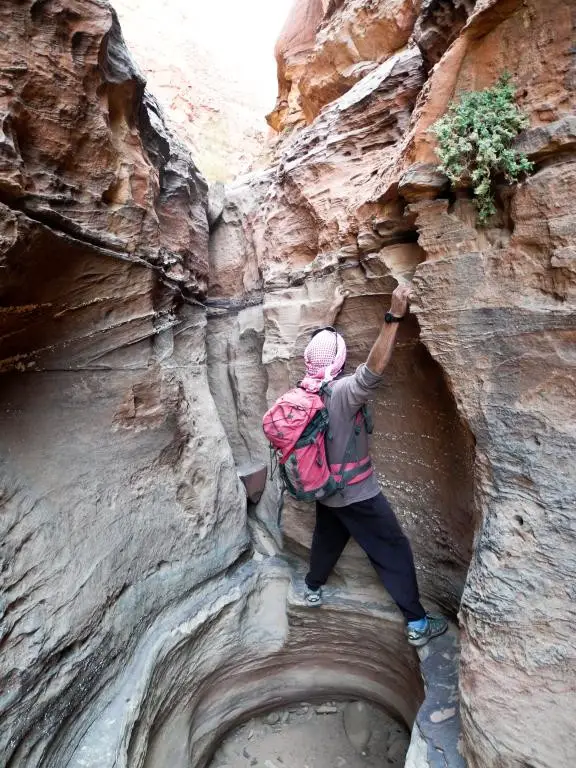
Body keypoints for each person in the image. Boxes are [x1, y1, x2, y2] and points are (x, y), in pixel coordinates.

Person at [301, 284, 448, 647]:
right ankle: (416, 623)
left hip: (324, 489)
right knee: (391, 548)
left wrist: (329, 316)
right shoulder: (344, 393)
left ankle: (312, 589)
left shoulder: (303, 389)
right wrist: (394, 316)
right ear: (338, 363)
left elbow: (319, 352)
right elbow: (374, 368)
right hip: (358, 493)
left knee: (327, 537)